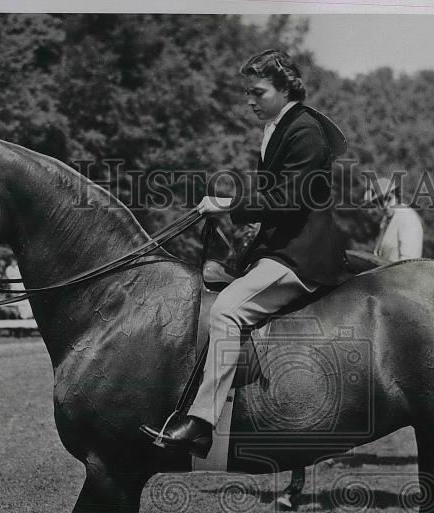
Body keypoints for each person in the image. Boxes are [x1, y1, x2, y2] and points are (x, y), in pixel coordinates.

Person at [143, 49, 348, 457]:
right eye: (247, 93)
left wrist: (227, 205)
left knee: (227, 310)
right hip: (279, 249)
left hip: (301, 255)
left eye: (258, 92)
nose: (249, 101)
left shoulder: (303, 129)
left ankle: (202, 422)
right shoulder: (277, 127)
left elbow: (290, 199)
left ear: (286, 87)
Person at [369, 176, 424, 263]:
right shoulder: (386, 221)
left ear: (397, 196)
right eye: (380, 202)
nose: (384, 205)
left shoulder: (407, 218)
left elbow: (409, 262)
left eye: (389, 199)